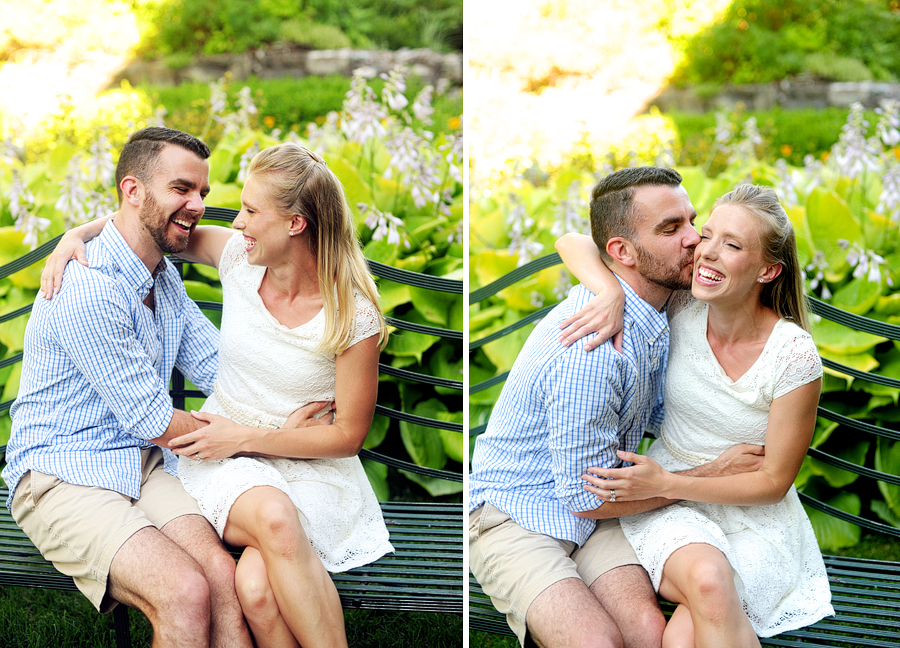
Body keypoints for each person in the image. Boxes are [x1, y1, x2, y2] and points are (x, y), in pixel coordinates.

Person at [43, 141, 394, 648]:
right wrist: (74, 235)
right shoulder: (239, 259)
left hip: (307, 463)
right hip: (229, 457)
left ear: (295, 224)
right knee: (271, 524)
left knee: (253, 587)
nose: (235, 222)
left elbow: (346, 437)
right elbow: (147, 221)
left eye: (251, 211)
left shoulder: (351, 315)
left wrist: (256, 436)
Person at [468, 167, 767, 648]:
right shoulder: (596, 352)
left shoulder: (662, 297)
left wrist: (608, 288)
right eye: (671, 230)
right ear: (622, 253)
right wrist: (710, 475)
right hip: (515, 515)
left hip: (597, 507)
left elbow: (577, 239)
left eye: (693, 221)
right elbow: (584, 496)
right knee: (597, 644)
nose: (696, 241)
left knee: (648, 634)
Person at [3, 127, 253, 647]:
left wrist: (293, 407)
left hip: (140, 461)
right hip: (61, 472)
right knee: (184, 592)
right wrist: (262, 434)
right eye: (182, 189)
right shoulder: (88, 287)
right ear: (133, 190)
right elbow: (154, 421)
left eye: (202, 193)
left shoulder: (164, 278)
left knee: (223, 579)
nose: (197, 205)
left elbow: (221, 369)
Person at [555, 184, 834, 647]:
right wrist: (608, 289)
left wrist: (669, 483)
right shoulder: (683, 305)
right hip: (668, 510)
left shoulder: (793, 356)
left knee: (686, 630)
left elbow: (772, 483)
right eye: (707, 235)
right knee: (706, 580)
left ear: (768, 270)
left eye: (733, 245)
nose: (708, 254)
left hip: (751, 516)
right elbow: (574, 241)